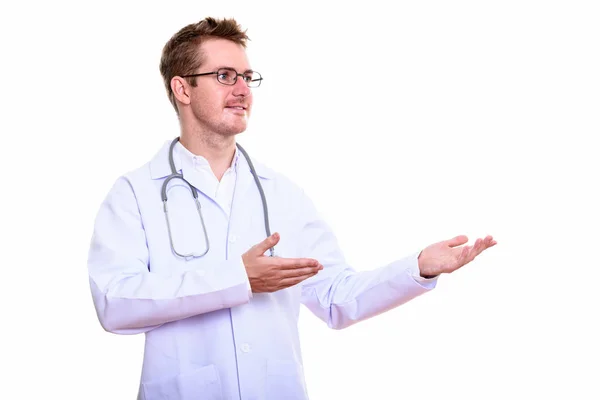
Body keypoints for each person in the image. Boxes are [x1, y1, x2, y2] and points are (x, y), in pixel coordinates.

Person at [87, 17, 497, 400]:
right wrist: (237, 278)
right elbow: (115, 305)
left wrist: (418, 267)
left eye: (247, 77)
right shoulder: (135, 194)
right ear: (182, 89)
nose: (243, 89)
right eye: (224, 76)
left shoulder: (281, 194)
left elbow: (336, 298)